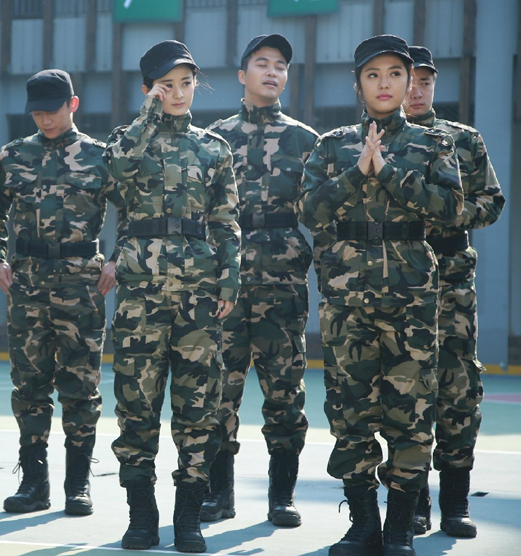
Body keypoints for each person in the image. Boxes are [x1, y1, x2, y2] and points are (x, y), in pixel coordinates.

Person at [299, 35, 463, 556]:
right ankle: (363, 524)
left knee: (411, 413)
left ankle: (398, 529)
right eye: (373, 75)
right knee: (350, 412)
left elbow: (451, 210)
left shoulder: (433, 145)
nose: (385, 83)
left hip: (411, 299)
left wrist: (389, 173)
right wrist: (357, 172)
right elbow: (310, 211)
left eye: (395, 74)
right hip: (346, 300)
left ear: (410, 81)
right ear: (358, 85)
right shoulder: (331, 146)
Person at [104, 40, 241, 553]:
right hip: (140, 295)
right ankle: (142, 516)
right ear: (148, 90)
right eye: (167, 85)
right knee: (135, 406)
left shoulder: (214, 149)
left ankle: (188, 519)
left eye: (186, 83)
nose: (179, 93)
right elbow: (112, 177)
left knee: (198, 407)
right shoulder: (128, 140)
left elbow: (226, 221)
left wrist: (230, 277)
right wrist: (147, 117)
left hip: (199, 295)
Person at [0, 69, 125, 516]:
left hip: (81, 284)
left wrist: (116, 259)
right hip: (27, 282)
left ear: (73, 104)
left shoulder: (100, 157)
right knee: (29, 386)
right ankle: (33, 483)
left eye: (52, 111)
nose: (45, 120)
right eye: (37, 113)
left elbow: (134, 213)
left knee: (81, 387)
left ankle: (77, 484)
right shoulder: (12, 156)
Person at [203, 34, 318, 528]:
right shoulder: (213, 140)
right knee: (218, 392)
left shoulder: (306, 140)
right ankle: (219, 495)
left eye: (280, 66)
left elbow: (323, 213)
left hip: (282, 286)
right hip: (224, 288)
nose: (272, 72)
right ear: (241, 74)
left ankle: (281, 497)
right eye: (262, 63)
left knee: (285, 393)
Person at [403, 45, 505, 538]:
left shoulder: (463, 139)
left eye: (426, 82)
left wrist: (448, 210)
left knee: (458, 389)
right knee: (406, 391)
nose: (417, 91)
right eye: (410, 81)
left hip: (452, 283)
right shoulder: (378, 141)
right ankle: (413, 501)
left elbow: (492, 201)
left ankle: (455, 501)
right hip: (398, 281)